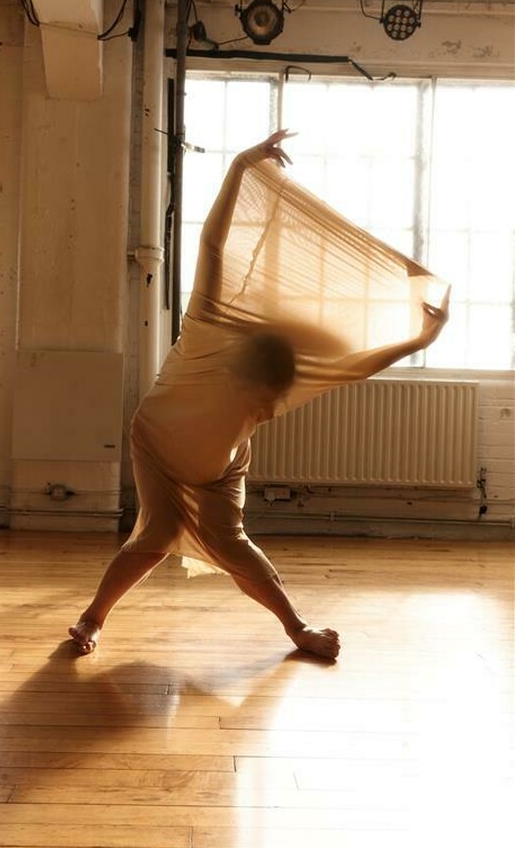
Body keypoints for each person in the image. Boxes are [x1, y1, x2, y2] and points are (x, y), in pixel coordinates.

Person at [69, 131, 449, 661]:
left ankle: (297, 628)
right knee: (155, 537)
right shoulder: (206, 327)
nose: (261, 400)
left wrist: (419, 337)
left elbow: (355, 365)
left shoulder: (272, 390)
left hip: (218, 471)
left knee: (232, 545)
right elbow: (214, 246)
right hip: (155, 444)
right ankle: (93, 617)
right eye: (256, 388)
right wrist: (242, 167)